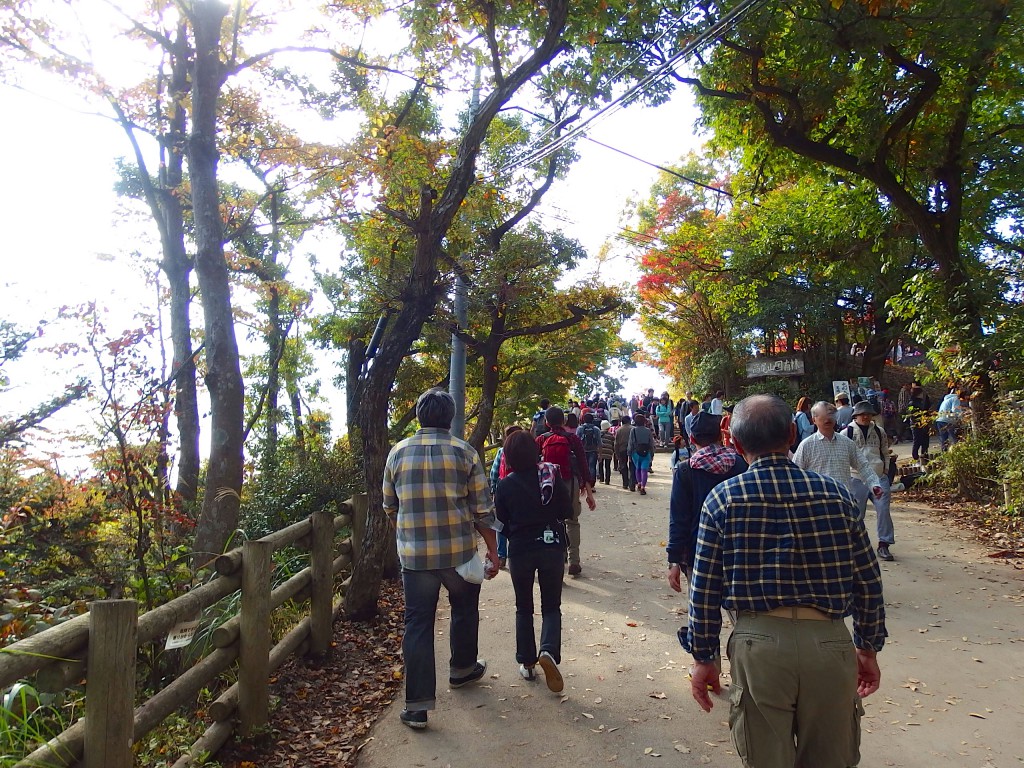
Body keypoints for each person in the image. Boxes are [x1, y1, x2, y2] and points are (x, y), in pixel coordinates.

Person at [683, 395, 887, 767]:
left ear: (736, 443)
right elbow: (868, 581)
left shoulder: (723, 499)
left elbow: (705, 588)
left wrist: (704, 656)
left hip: (758, 648)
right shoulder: (837, 496)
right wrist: (868, 646)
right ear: (793, 433)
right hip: (829, 643)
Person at [383, 389, 500, 731]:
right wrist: (493, 552)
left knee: (418, 623)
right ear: (450, 418)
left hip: (416, 557)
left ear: (419, 416)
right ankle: (462, 669)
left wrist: (407, 534)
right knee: (464, 609)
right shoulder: (465, 453)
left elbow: (391, 506)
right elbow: (482, 510)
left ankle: (417, 706)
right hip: (458, 554)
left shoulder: (397, 453)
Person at [494, 430, 571, 693]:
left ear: (509, 457)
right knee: (551, 606)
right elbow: (567, 510)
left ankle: (527, 663)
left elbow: (500, 524)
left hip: (520, 550)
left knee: (523, 607)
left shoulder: (505, 485)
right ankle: (548, 650)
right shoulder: (551, 476)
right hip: (551, 547)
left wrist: (512, 532)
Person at [667, 411, 747, 590]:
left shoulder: (685, 470)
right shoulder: (740, 465)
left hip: (698, 553)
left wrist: (674, 560)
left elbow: (679, 519)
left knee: (702, 612)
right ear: (720, 435)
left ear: (692, 438)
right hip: (738, 551)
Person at [537, 406, 596, 577]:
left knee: (553, 522)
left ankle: (558, 559)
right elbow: (583, 465)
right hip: (570, 483)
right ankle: (574, 560)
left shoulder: (541, 440)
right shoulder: (572, 439)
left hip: (548, 485)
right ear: (563, 421)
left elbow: (533, 466)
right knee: (572, 521)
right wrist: (589, 492)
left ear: (546, 422)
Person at [793, 401, 884, 501]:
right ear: (814, 420)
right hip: (819, 502)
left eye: (830, 415)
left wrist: (874, 484)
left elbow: (863, 466)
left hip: (844, 500)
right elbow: (795, 473)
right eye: (823, 416)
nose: (828, 419)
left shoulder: (847, 443)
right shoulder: (806, 445)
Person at [845, 401, 896, 562]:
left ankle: (884, 543)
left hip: (878, 476)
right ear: (856, 416)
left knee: (883, 510)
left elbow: (885, 453)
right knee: (857, 514)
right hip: (857, 477)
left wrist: (886, 470)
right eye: (862, 414)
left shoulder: (879, 432)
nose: (865, 417)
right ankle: (856, 544)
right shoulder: (848, 432)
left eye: (868, 414)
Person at [489, 424, 523, 568]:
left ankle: (501, 556)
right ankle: (518, 553)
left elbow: (494, 473)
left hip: (503, 491)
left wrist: (493, 491)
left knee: (501, 523)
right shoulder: (525, 451)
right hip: (521, 492)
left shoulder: (502, 451)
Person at [627, 412, 654, 495]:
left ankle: (638, 482)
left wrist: (629, 453)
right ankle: (643, 487)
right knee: (644, 470)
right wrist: (652, 453)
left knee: (637, 469)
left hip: (635, 453)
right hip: (646, 452)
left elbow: (630, 443)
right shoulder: (648, 431)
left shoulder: (633, 430)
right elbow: (651, 443)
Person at [906, 383, 933, 464]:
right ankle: (915, 456)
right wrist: (917, 422)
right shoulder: (912, 403)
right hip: (916, 424)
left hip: (924, 423)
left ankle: (924, 455)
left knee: (925, 441)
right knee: (917, 441)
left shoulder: (922, 401)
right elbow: (911, 414)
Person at [576, 412, 602, 487]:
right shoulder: (596, 429)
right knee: (592, 467)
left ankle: (583, 482)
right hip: (593, 451)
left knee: (583, 467)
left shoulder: (580, 428)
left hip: (582, 451)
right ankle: (591, 484)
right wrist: (600, 454)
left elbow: (577, 441)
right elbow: (599, 442)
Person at [935, 385, 963, 452]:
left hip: (939, 419)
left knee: (944, 439)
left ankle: (944, 453)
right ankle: (958, 452)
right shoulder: (956, 398)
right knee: (955, 438)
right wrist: (961, 417)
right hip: (948, 419)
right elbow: (955, 410)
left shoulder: (946, 399)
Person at [614, 414, 635, 491]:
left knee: (623, 466)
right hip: (632, 450)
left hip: (622, 450)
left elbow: (616, 443)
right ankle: (632, 484)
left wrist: (616, 453)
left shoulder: (619, 430)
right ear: (629, 421)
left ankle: (625, 483)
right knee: (632, 467)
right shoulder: (633, 429)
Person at [598, 420, 615, 485]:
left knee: (600, 465)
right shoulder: (611, 435)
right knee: (607, 466)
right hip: (608, 452)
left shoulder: (599, 433)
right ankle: (607, 480)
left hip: (601, 452)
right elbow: (613, 443)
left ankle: (601, 478)